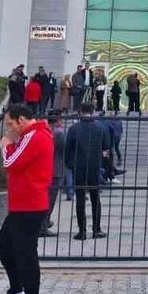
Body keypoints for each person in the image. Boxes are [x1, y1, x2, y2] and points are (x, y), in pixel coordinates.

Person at [0, 104, 54, 294]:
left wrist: (5, 146)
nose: (9, 129)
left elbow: (10, 163)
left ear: (21, 120)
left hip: (30, 205)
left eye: (10, 124)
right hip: (22, 205)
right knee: (4, 246)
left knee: (26, 255)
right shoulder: (30, 136)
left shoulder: (34, 136)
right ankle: (17, 292)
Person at [64, 102, 110, 241]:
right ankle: (96, 229)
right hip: (94, 167)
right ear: (93, 111)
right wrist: (105, 166)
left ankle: (82, 231)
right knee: (96, 198)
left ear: (80, 112)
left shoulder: (73, 129)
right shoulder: (100, 128)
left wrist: (70, 164)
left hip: (79, 167)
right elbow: (106, 149)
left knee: (80, 199)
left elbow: (68, 149)